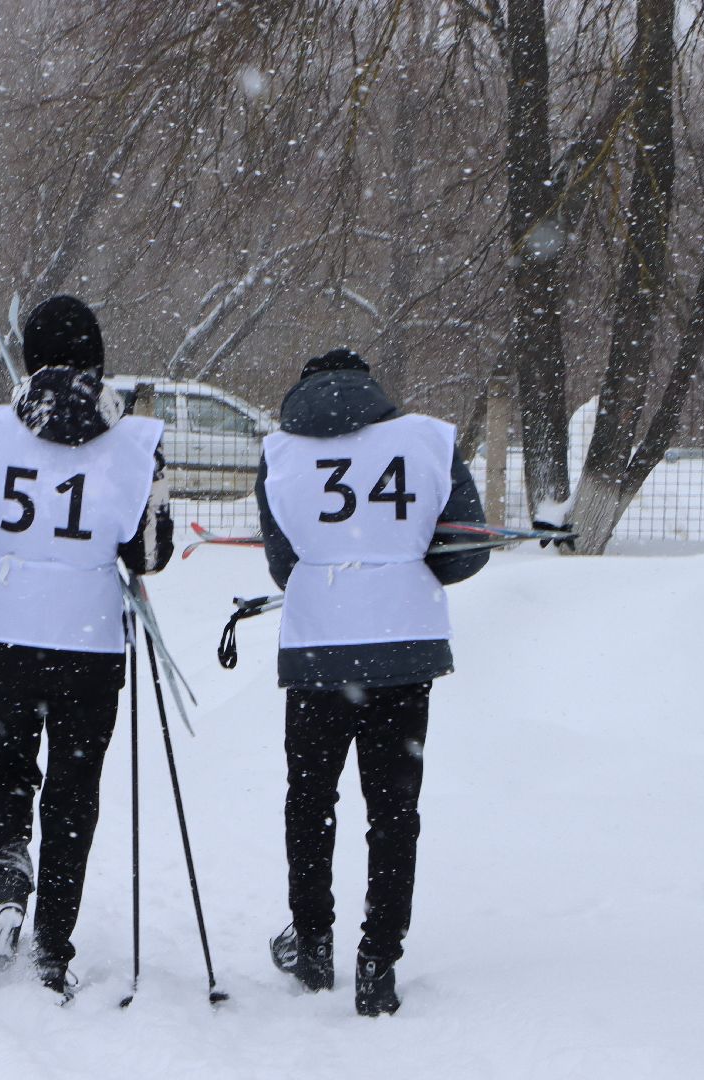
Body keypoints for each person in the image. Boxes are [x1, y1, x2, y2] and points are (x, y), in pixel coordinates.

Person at [254, 348, 489, 1017]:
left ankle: (313, 940)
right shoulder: (428, 440)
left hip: (320, 650)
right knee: (393, 811)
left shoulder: (280, 455)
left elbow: (282, 564)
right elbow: (468, 547)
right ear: (371, 388)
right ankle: (378, 961)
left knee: (310, 801)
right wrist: (406, 570)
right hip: (403, 655)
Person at [0, 294, 174, 1000]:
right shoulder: (136, 444)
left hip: (9, 629)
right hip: (88, 640)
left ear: (29, 359)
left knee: (8, 768)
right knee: (75, 791)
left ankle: (10, 865)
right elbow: (150, 551)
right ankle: (53, 942)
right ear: (98, 358)